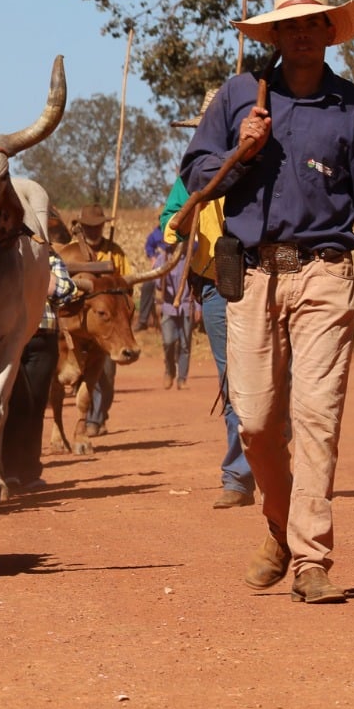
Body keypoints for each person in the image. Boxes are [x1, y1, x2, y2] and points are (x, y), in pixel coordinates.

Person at [180, 0, 354, 605]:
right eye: (291, 27)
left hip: (324, 274)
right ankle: (278, 525)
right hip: (253, 275)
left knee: (316, 419)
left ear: (330, 33)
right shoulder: (239, 96)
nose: (303, 34)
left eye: (315, 24)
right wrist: (241, 149)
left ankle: (312, 559)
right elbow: (196, 173)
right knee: (256, 423)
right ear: (276, 37)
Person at [160, 89, 256, 510]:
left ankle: (278, 467)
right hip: (217, 286)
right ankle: (238, 477)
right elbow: (168, 225)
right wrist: (181, 220)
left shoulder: (264, 165)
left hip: (266, 279)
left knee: (280, 381)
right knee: (233, 383)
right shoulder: (190, 176)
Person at [2, 252, 80, 487]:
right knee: (16, 402)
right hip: (10, 339)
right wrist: (41, 283)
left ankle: (30, 471)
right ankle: (8, 468)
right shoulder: (3, 254)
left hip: (43, 340)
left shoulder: (50, 258)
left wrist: (36, 279)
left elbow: (66, 290)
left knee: (36, 403)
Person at [72, 203, 130, 437]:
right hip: (80, 323)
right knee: (82, 376)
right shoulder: (73, 251)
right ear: (82, 227)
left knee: (106, 376)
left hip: (109, 325)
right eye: (89, 227)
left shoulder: (115, 252)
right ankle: (88, 420)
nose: (94, 231)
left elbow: (127, 283)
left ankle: (99, 416)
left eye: (98, 227)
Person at [153, 231, 194, 391]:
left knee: (185, 345)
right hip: (169, 307)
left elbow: (195, 286)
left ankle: (182, 378)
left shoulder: (189, 260)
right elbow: (157, 285)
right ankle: (169, 370)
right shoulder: (162, 259)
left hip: (186, 306)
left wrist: (197, 307)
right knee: (168, 342)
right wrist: (158, 303)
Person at [134, 218, 165, 331]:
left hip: (177, 270)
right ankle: (143, 320)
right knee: (147, 285)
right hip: (159, 268)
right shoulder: (155, 234)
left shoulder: (179, 231)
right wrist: (152, 258)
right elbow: (149, 247)